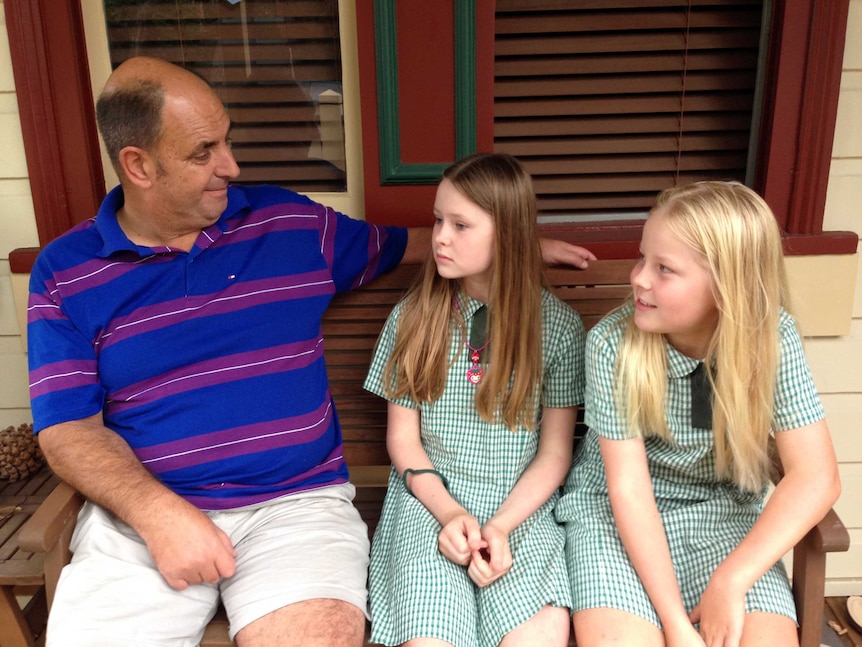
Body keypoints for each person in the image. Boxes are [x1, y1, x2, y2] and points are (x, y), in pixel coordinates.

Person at [26, 57, 595, 647]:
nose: (231, 165)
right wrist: (157, 514)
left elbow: (405, 244)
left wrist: (518, 245)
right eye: (204, 152)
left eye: (228, 141)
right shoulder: (66, 273)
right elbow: (67, 431)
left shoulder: (289, 224)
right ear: (138, 165)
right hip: (141, 519)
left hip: (294, 508)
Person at [555, 181, 841, 647]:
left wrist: (730, 581)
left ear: (726, 286)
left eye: (664, 269)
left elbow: (817, 477)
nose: (639, 278)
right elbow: (628, 490)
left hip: (725, 516)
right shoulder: (612, 344)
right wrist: (675, 624)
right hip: (615, 521)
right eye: (642, 257)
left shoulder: (772, 342)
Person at [363, 153, 586, 647]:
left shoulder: (558, 330)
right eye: (439, 219)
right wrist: (448, 514)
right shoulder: (415, 318)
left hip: (522, 509)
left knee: (538, 635)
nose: (440, 236)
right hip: (428, 505)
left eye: (461, 224)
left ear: (506, 234)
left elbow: (554, 453)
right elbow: (403, 440)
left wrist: (502, 525)